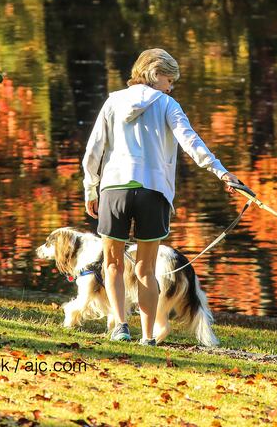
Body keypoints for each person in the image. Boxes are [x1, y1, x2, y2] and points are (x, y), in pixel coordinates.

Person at [81, 48, 238, 345]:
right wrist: (221, 172)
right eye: (169, 79)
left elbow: (94, 151)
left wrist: (91, 187)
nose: (171, 86)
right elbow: (191, 142)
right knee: (145, 268)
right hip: (153, 191)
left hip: (114, 188)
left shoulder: (112, 102)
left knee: (112, 263)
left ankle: (120, 327)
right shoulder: (167, 104)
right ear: (155, 74)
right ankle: (148, 336)